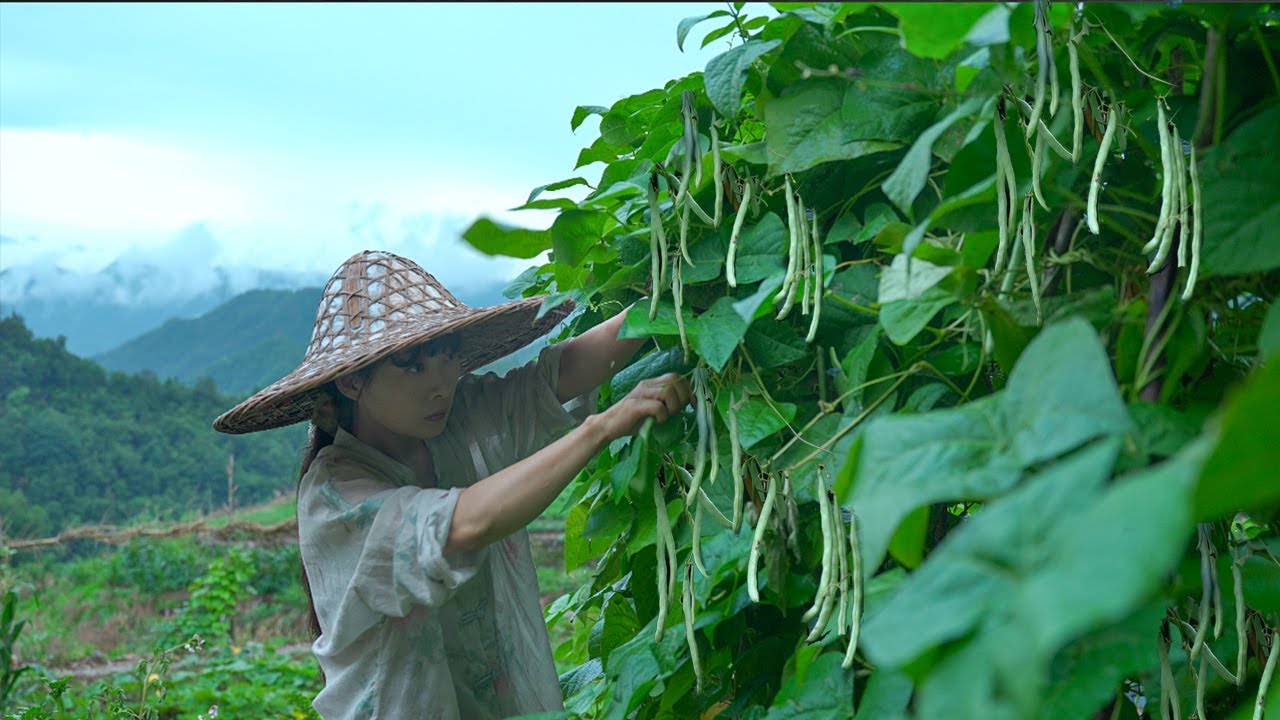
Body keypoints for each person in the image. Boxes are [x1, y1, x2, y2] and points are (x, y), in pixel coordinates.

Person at [213, 249, 691, 720]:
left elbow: (556, 375)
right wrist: (601, 428)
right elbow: (461, 524)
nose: (440, 384)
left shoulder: (455, 423)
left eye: (447, 358)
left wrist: (672, 289)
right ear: (353, 383)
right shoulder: (335, 493)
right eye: (413, 366)